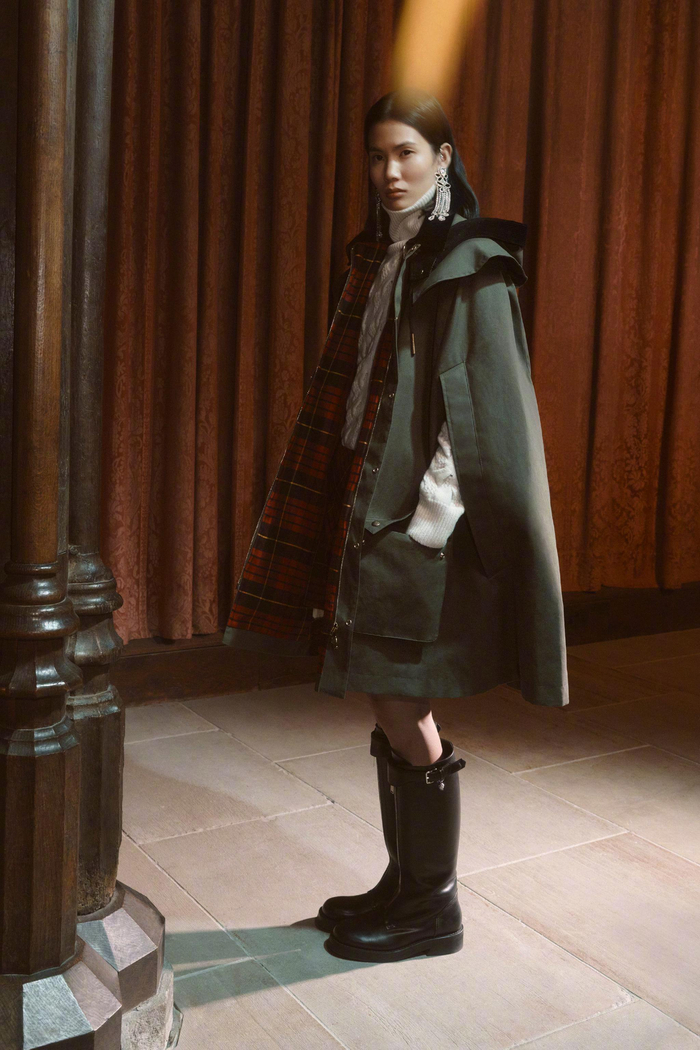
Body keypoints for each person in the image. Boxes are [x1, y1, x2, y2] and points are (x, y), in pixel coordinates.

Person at [223, 88, 569, 964]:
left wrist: (428, 523)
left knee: (400, 694)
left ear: (443, 159)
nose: (389, 172)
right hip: (365, 494)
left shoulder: (471, 262)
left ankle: (433, 907)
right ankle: (405, 883)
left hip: (417, 516)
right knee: (384, 691)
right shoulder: (382, 255)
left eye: (408, 153)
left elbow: (479, 411)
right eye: (377, 156)